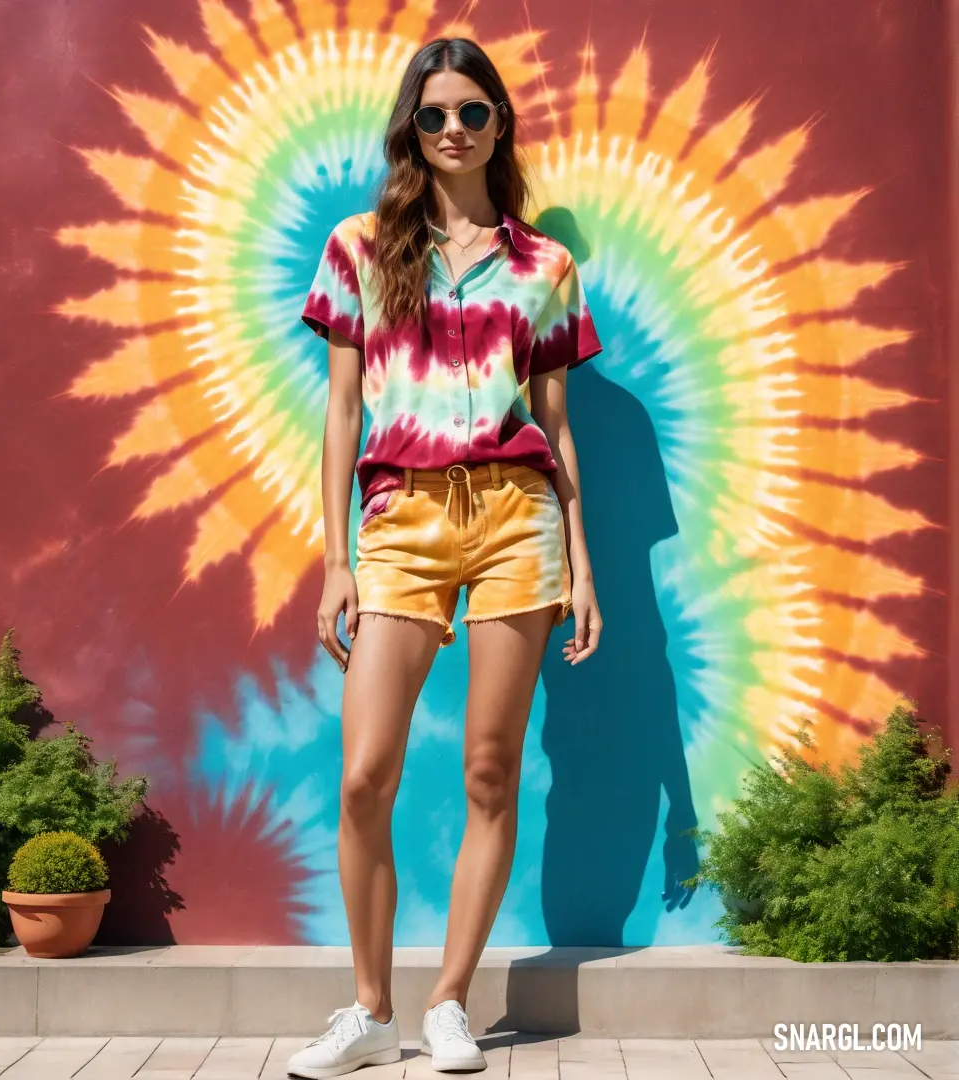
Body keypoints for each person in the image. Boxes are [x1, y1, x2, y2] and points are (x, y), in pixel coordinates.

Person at [288, 37, 603, 1079]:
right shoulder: (362, 246)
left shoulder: (543, 267)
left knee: (489, 770)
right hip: (403, 519)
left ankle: (450, 1003)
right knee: (364, 776)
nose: (454, 128)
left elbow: (555, 426)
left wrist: (587, 568)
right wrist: (338, 558)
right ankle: (370, 1009)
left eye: (472, 111)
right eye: (433, 115)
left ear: (498, 123)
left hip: (519, 517)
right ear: (411, 130)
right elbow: (340, 412)